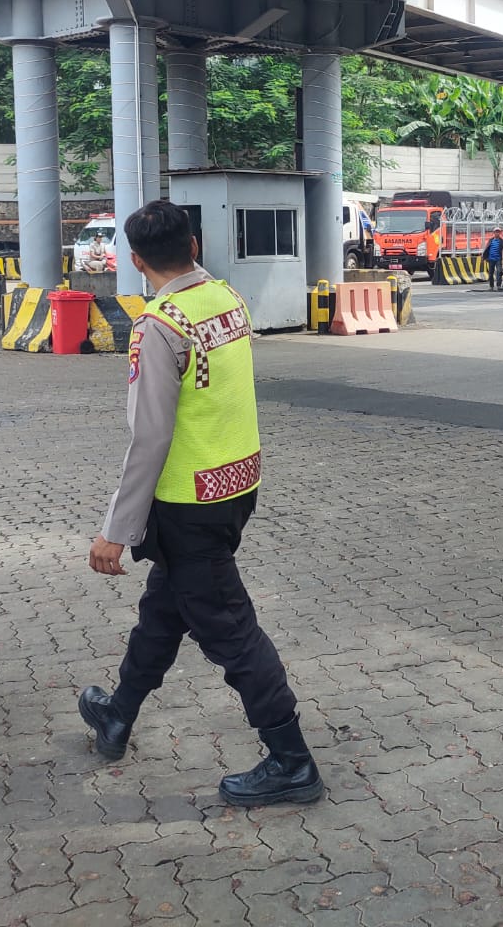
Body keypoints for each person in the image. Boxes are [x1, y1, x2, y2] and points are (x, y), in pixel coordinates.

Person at [78, 199, 322, 808]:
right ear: (193, 246)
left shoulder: (159, 326)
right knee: (165, 609)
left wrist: (116, 530)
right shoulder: (228, 299)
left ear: (136, 262)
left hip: (188, 504)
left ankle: (293, 762)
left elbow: (150, 437)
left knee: (231, 631)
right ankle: (118, 713)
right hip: (236, 485)